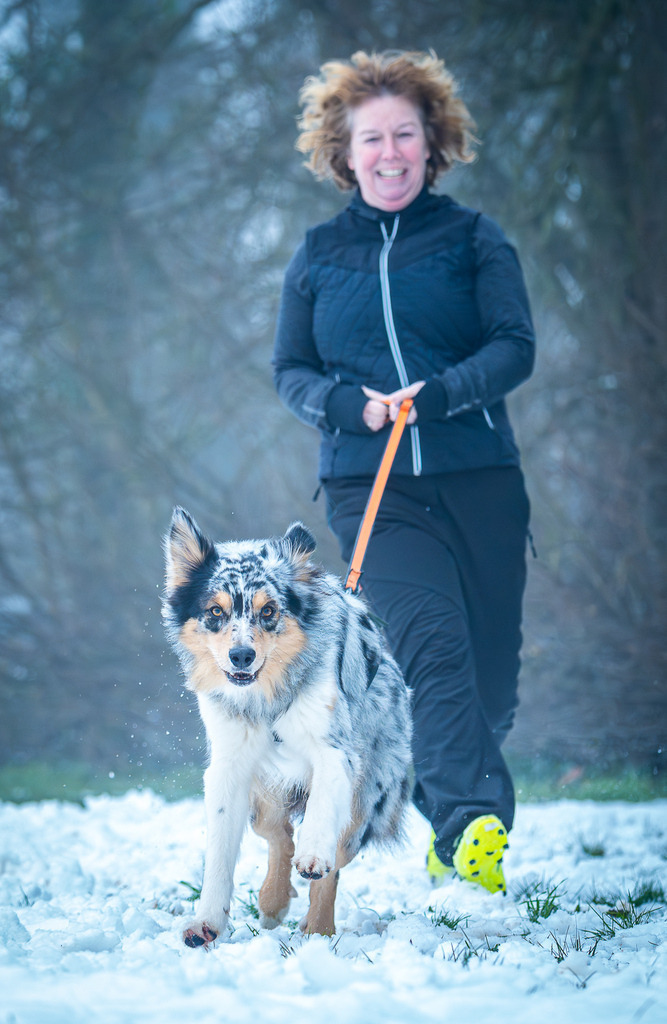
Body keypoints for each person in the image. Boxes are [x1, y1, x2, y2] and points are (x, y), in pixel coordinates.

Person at [272, 50, 535, 894]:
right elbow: (290, 370)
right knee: (432, 650)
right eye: (371, 139)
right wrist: (353, 408)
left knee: (490, 682)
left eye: (404, 136)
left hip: (478, 479)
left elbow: (513, 346)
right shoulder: (317, 255)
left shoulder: (472, 240)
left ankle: (453, 801)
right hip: (370, 488)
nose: (388, 153)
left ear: (432, 144)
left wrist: (445, 392)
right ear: (343, 153)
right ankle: (470, 830)